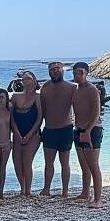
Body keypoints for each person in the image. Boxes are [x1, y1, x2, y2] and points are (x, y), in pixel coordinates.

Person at [40, 59, 78, 197]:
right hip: (49, 129)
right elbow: (41, 110)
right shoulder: (45, 87)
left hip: (65, 129)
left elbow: (80, 107)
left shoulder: (72, 88)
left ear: (63, 70)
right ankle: (46, 189)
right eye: (52, 69)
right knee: (48, 163)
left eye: (58, 68)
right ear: (49, 72)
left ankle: (65, 191)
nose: (55, 71)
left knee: (64, 162)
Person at [72, 61, 104, 207]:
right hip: (78, 129)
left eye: (80, 72)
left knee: (93, 165)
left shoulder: (93, 90)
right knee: (83, 165)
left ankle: (97, 199)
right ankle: (85, 192)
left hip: (92, 130)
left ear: (86, 73)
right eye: (75, 72)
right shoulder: (75, 90)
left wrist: (88, 131)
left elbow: (97, 113)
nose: (77, 75)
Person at [9, 69, 42, 197]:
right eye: (24, 79)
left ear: (34, 80)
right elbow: (11, 116)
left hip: (33, 133)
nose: (26, 81)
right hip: (17, 132)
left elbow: (40, 117)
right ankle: (22, 188)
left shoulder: (38, 97)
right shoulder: (16, 96)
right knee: (16, 161)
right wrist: (16, 133)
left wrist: (29, 134)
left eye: (28, 78)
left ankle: (28, 191)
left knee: (27, 161)